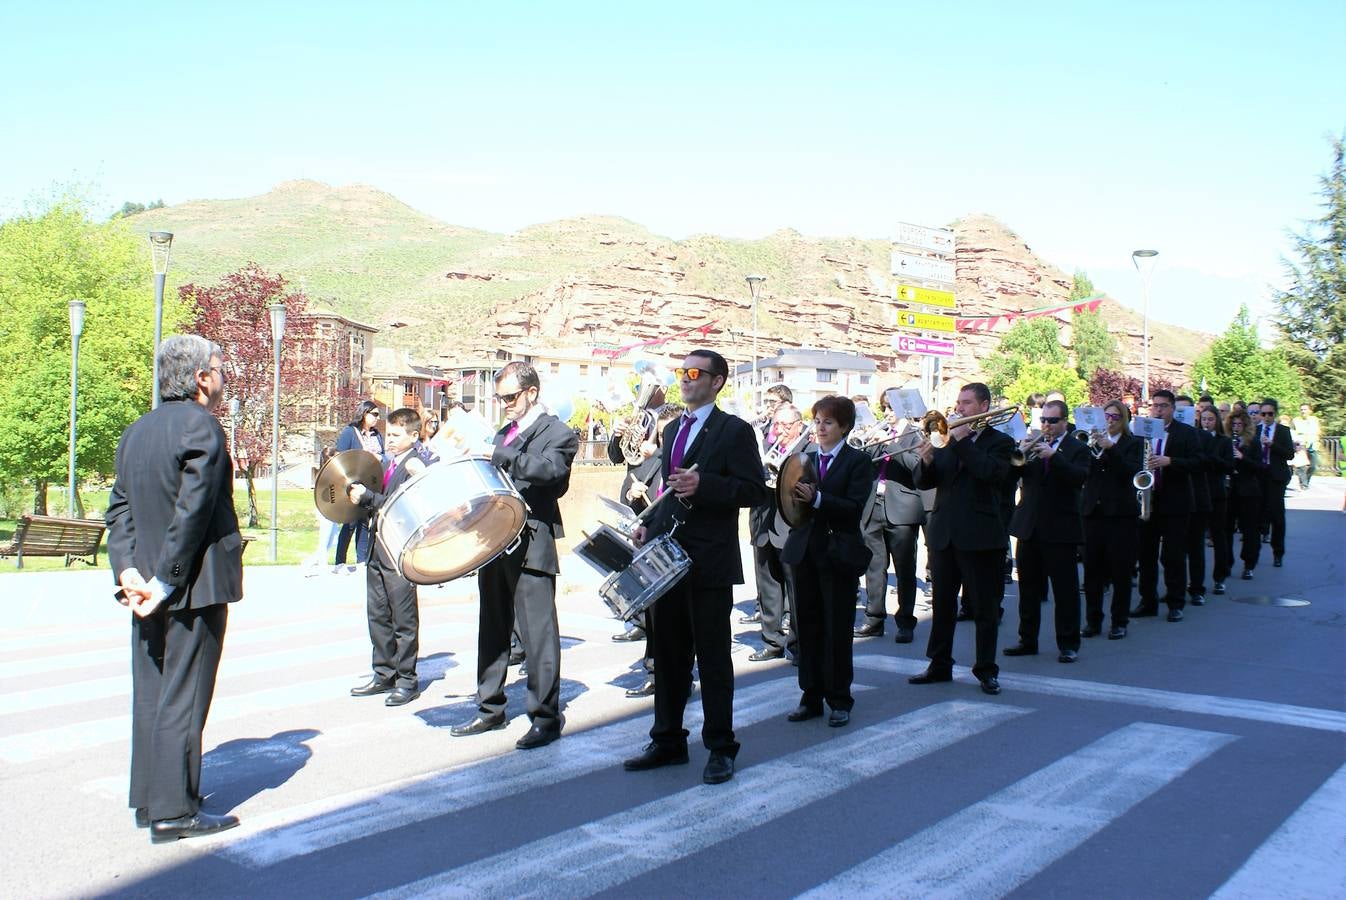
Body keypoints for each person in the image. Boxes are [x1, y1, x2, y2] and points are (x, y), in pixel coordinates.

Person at [106, 335, 244, 843]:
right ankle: (173, 812)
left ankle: (149, 797)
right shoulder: (202, 426)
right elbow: (194, 511)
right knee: (184, 696)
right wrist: (166, 580)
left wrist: (127, 573)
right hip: (191, 584)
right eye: (221, 368)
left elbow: (118, 510)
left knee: (153, 693)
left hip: (144, 585)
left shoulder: (136, 431)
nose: (225, 378)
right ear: (202, 378)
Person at [623, 350, 768, 785]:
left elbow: (753, 491)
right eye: (680, 373)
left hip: (709, 562)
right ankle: (667, 739)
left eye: (693, 373)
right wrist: (647, 524)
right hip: (667, 561)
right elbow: (667, 493)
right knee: (667, 658)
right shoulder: (672, 430)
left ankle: (721, 747)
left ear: (717, 381)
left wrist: (707, 485)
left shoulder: (734, 430)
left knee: (713, 658)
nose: (684, 380)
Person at [450, 362, 578, 749]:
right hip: (496, 541)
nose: (503, 404)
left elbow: (550, 474)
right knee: (491, 628)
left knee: (538, 635)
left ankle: (545, 717)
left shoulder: (559, 433)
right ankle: (489, 708)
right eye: (499, 397)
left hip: (532, 543)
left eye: (509, 397)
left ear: (532, 392)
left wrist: (498, 453)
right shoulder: (505, 433)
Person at [909, 383, 1015, 695]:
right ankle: (939, 665)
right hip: (944, 535)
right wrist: (926, 461)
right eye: (958, 403)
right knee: (942, 606)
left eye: (967, 403)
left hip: (981, 536)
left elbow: (990, 474)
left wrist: (963, 442)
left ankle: (986, 670)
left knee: (985, 609)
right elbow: (925, 482)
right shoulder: (945, 441)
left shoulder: (1001, 442)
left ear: (984, 406)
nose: (960, 409)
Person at [781, 396, 875, 726]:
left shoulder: (858, 462)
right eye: (818, 421)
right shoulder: (803, 459)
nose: (820, 428)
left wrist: (818, 499)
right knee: (806, 626)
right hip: (805, 550)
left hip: (838, 552)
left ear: (845, 427)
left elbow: (853, 507)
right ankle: (810, 696)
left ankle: (839, 698)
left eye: (828, 422)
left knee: (836, 628)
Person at [347, 408, 433, 707]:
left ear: (414, 435)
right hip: (376, 547)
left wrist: (369, 498)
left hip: (398, 550)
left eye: (397, 435)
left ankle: (407, 680)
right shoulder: (387, 463)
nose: (390, 440)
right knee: (378, 615)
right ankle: (384, 672)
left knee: (403, 619)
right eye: (388, 434)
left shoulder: (416, 464)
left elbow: (406, 507)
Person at [1005, 399, 1088, 663]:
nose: (1046, 425)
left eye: (1052, 421)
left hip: (1061, 528)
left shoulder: (1077, 447)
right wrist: (1021, 452)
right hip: (1030, 526)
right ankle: (1027, 639)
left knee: (1065, 590)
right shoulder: (1033, 443)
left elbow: (1079, 478)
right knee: (1028, 589)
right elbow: (1014, 474)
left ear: (1064, 422)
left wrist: (1055, 457)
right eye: (1043, 420)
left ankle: (1068, 643)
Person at [615, 403, 682, 698]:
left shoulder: (686, 462)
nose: (663, 443)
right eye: (661, 435)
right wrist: (634, 496)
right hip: (651, 543)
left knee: (677, 620)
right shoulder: (652, 460)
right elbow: (630, 494)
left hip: (677, 545)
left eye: (670, 435)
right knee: (654, 615)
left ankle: (677, 675)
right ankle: (655, 672)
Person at [855, 403, 926, 644]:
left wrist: (890, 443)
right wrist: (866, 444)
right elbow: (865, 465)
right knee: (874, 567)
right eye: (884, 407)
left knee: (905, 568)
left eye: (890, 408)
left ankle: (906, 621)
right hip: (873, 505)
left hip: (902, 509)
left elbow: (917, 467)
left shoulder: (916, 434)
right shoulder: (880, 431)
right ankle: (874, 618)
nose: (886, 413)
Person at [1132, 389, 1201, 623]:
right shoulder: (1144, 431)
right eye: (1155, 406)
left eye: (1163, 406)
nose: (1158, 410)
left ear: (1172, 408)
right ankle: (1147, 601)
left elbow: (1199, 463)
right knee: (1146, 554)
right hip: (1148, 500)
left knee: (1173, 555)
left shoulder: (1187, 433)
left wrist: (1170, 461)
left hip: (1176, 501)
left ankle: (1175, 603)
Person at [1081, 400, 1143, 639]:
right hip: (1093, 512)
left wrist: (1111, 449)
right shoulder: (1090, 441)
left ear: (1124, 420)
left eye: (1115, 417)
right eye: (1106, 416)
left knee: (1121, 571)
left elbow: (1129, 472)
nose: (1109, 420)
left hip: (1120, 514)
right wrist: (1095, 446)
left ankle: (1119, 621)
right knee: (1092, 572)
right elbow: (1084, 471)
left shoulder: (1134, 443)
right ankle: (1093, 621)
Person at [749, 403, 805, 661]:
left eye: (786, 425)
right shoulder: (766, 449)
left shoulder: (807, 451)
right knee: (768, 587)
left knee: (796, 591)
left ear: (799, 426)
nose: (780, 430)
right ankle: (772, 641)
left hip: (791, 527)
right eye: (777, 425)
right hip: (764, 523)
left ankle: (798, 645)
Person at [334, 400, 383, 572]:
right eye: (374, 414)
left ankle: (362, 560)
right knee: (351, 521)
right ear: (364, 413)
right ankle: (339, 561)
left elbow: (382, 455)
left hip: (370, 483)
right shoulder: (350, 432)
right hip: (352, 482)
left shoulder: (377, 435)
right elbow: (340, 456)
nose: (377, 418)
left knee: (364, 520)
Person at [1176, 396, 1214, 605]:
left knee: (1195, 547)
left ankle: (1197, 588)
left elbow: (1204, 463)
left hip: (1197, 496)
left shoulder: (1202, 437)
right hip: (1174, 498)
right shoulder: (1166, 433)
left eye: (1186, 411)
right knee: (1175, 550)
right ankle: (1177, 589)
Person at [1227, 410, 1267, 579]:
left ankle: (1249, 563)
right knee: (1226, 528)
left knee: (1250, 529)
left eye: (1239, 425)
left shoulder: (1254, 442)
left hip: (1248, 490)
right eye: (1233, 425)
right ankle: (1225, 562)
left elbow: (1259, 467)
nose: (1236, 428)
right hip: (1230, 489)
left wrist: (1242, 457)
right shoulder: (1227, 441)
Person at [1200, 407, 1235, 595]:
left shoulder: (1224, 441)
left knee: (1219, 535)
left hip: (1217, 493)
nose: (1206, 423)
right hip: (1198, 492)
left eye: (1210, 419)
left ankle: (1220, 577)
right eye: (1204, 419)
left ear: (1217, 422)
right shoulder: (1195, 438)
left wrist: (1213, 457)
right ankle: (1195, 582)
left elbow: (1230, 466)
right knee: (1195, 538)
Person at [1256, 399, 1296, 566]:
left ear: (1275, 414)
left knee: (1277, 515)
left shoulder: (1283, 431)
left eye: (1270, 414)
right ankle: (1252, 553)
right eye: (1263, 413)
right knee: (1257, 513)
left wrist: (1272, 445)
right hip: (1258, 476)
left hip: (1276, 476)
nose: (1266, 417)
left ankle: (1278, 552)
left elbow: (1290, 454)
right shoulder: (1255, 430)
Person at [1292, 403, 1322, 488]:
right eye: (1301, 409)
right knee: (1301, 466)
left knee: (1313, 466)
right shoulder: (1296, 420)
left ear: (1309, 411)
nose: (1303, 411)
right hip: (1301, 445)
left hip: (1313, 445)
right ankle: (1303, 484)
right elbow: (1293, 432)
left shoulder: (1314, 420)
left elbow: (1318, 431)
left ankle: (1306, 481)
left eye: (1305, 409)